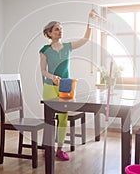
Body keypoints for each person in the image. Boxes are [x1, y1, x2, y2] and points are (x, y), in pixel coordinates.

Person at [39, 9, 98, 161]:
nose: (60, 31)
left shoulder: (68, 47)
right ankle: (48, 147)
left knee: (63, 119)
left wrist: (89, 20)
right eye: (57, 29)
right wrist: (52, 77)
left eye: (61, 29)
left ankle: (59, 149)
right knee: (49, 119)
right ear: (49, 33)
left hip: (66, 86)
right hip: (50, 87)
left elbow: (85, 39)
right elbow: (43, 71)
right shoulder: (44, 50)